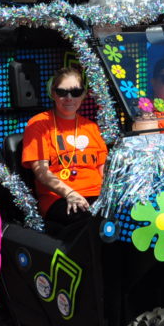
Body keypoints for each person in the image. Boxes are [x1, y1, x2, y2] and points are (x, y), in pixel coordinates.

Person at [21, 66, 107, 225]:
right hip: (60, 198)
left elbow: (104, 172)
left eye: (75, 92)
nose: (69, 98)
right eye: (62, 92)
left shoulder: (91, 127)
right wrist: (70, 194)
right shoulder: (39, 124)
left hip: (97, 196)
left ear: (83, 95)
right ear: (53, 93)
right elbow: (42, 173)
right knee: (90, 222)